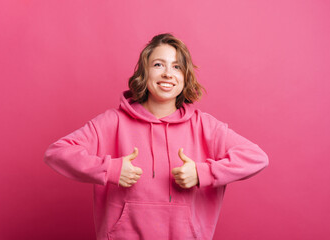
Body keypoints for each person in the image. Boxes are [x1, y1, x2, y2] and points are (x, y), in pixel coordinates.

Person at [44, 33, 269, 240]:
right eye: (158, 64)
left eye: (177, 67)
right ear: (144, 72)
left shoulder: (204, 125)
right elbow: (57, 152)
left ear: (185, 76)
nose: (167, 74)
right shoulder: (113, 121)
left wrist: (203, 173)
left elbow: (256, 157)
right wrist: (110, 170)